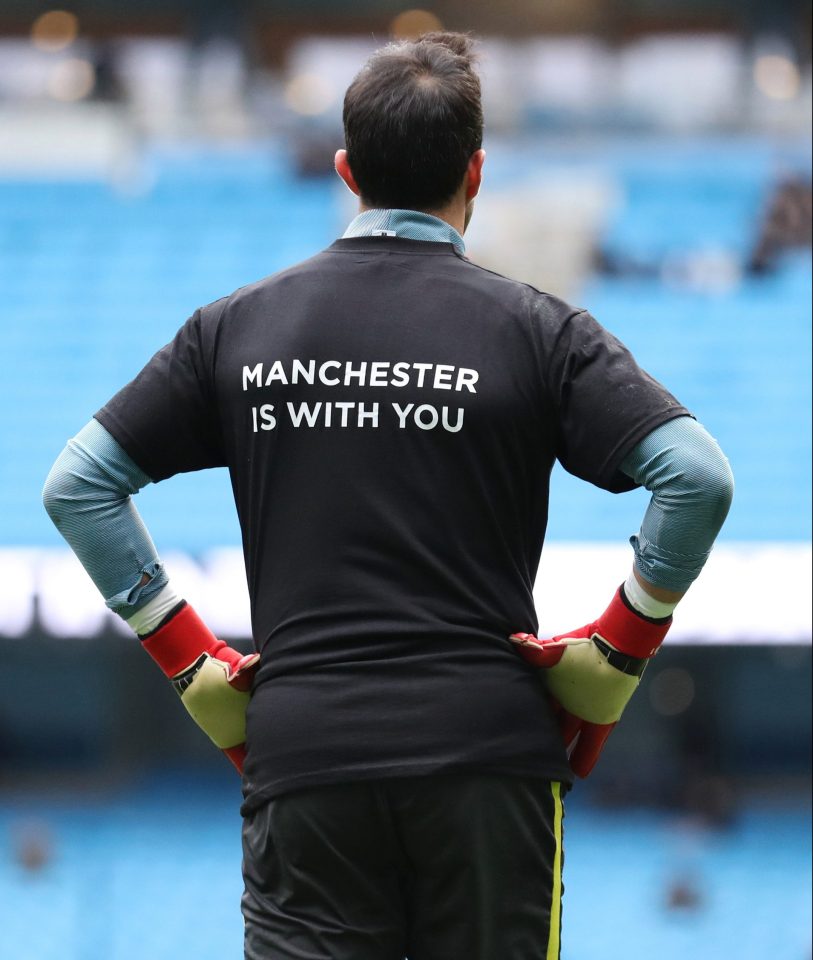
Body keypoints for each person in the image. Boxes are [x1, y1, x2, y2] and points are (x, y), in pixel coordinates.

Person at [43, 31, 733, 960]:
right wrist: (618, 647)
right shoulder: (539, 329)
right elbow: (696, 476)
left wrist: (188, 659)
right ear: (476, 174)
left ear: (344, 171)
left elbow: (79, 486)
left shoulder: (233, 329)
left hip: (305, 756)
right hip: (488, 758)